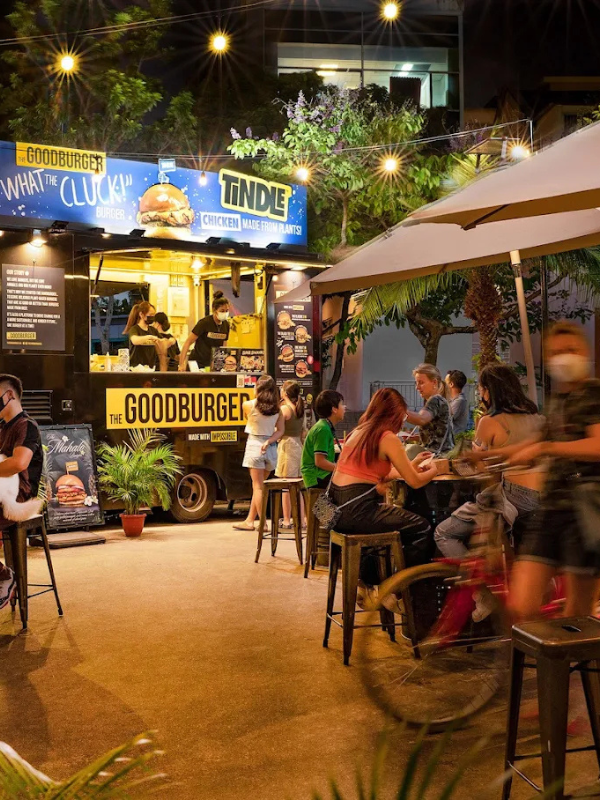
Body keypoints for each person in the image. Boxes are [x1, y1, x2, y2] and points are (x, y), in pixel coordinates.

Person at [505, 321, 600, 620]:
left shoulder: (594, 393)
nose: (564, 357)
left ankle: (566, 661)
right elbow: (542, 440)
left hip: (583, 512)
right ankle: (549, 657)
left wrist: (547, 450)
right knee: (521, 603)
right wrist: (491, 456)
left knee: (577, 614)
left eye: (570, 350)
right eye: (557, 352)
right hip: (550, 507)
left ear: (584, 352)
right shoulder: (558, 398)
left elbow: (597, 445)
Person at [435, 364, 543, 620]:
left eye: (481, 389)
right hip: (541, 498)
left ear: (487, 391)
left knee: (444, 532)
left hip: (513, 496)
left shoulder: (489, 422)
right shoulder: (537, 417)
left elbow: (479, 468)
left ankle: (482, 592)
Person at [330, 388, 436, 600]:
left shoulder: (359, 432)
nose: (403, 421)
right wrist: (435, 471)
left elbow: (376, 472)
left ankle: (369, 585)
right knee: (421, 528)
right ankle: (396, 588)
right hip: (356, 509)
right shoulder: (386, 437)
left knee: (380, 527)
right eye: (403, 416)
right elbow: (414, 482)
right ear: (394, 415)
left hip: (335, 508)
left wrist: (411, 465)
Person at [0, 374, 43, 610]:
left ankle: (5, 575)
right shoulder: (2, 428)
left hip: (19, 495)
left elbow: (19, 463)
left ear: (9, 395)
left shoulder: (26, 426)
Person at [233, 375, 284, 531]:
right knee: (261, 486)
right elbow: (281, 431)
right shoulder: (278, 409)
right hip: (271, 448)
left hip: (255, 445)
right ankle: (249, 520)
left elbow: (247, 418)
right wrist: (269, 442)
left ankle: (263, 523)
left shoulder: (248, 405)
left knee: (257, 487)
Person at [405, 363, 454, 457]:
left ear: (434, 382)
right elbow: (438, 433)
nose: (417, 387)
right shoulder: (439, 400)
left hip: (437, 458)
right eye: (416, 383)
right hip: (442, 456)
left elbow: (421, 419)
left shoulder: (435, 400)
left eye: (421, 382)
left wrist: (398, 410)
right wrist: (418, 437)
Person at [275, 381, 306, 529]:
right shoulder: (300, 409)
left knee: (286, 487)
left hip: (287, 447)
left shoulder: (285, 410)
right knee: (297, 486)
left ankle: (287, 519)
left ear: (285, 393)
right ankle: (301, 519)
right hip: (298, 447)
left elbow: (278, 429)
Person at [301, 390, 346, 490]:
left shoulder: (324, 426)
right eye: (342, 404)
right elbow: (320, 462)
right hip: (317, 477)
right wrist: (342, 469)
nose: (344, 408)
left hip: (321, 475)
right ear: (334, 409)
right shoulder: (322, 429)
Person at [179, 291, 230, 370]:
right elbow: (188, 342)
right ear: (214, 310)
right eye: (222, 311)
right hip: (198, 363)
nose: (225, 313)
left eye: (227, 311)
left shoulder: (226, 325)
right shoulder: (204, 323)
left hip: (213, 364)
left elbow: (224, 346)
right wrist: (181, 364)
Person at [123, 302, 172, 371]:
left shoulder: (153, 330)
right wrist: (150, 337)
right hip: (135, 369)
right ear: (141, 315)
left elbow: (162, 342)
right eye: (150, 315)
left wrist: (169, 341)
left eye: (154, 315)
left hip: (150, 369)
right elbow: (135, 340)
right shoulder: (135, 329)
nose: (152, 317)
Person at [445, 370, 469, 434]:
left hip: (455, 440)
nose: (444, 385)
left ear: (451, 384)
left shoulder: (459, 401)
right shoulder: (452, 400)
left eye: (445, 382)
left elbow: (445, 419)